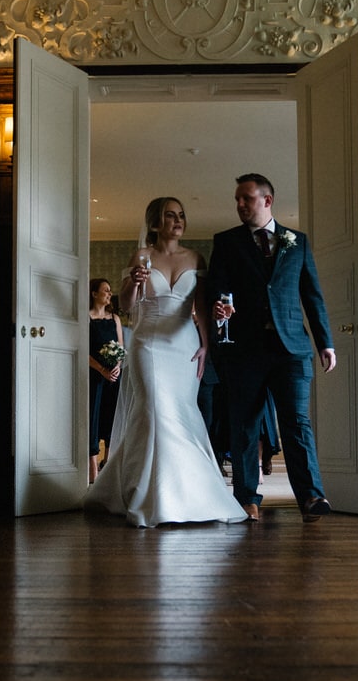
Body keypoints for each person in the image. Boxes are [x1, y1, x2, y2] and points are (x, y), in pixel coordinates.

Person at [84, 197, 248, 527]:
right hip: (148, 343)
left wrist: (205, 344)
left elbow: (200, 307)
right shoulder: (142, 256)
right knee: (154, 409)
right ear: (156, 222)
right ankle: (149, 494)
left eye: (181, 215)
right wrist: (134, 281)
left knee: (182, 410)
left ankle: (189, 492)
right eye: (170, 215)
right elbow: (128, 305)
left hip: (184, 344)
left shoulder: (195, 257)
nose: (178, 220)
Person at [207, 173, 336, 523]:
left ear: (267, 200)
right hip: (245, 351)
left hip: (292, 348)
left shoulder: (298, 242)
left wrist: (326, 343)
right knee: (245, 425)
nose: (239, 205)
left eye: (246, 198)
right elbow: (217, 290)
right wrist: (221, 309)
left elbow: (312, 295)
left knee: (297, 422)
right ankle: (247, 498)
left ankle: (311, 496)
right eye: (237, 199)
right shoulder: (227, 242)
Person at [87, 278, 123, 483]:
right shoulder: (87, 318)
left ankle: (108, 466)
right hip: (95, 376)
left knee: (112, 419)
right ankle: (93, 472)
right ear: (94, 294)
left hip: (114, 377)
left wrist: (117, 365)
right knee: (93, 419)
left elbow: (121, 346)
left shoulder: (115, 318)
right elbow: (83, 349)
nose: (110, 294)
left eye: (110, 291)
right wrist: (101, 369)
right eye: (106, 291)